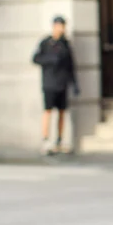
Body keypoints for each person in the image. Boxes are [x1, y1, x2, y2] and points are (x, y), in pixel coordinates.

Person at [32, 15, 78, 155]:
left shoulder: (65, 44)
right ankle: (45, 140)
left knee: (62, 111)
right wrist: (50, 60)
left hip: (62, 83)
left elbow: (71, 65)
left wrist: (74, 83)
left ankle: (59, 140)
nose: (61, 29)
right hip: (49, 83)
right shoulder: (46, 43)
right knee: (48, 110)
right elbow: (35, 58)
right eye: (59, 26)